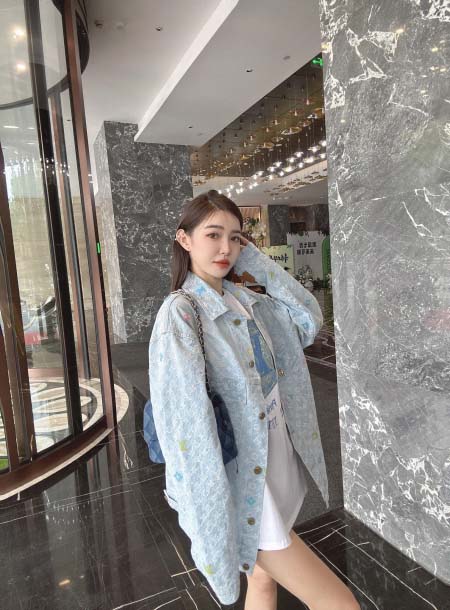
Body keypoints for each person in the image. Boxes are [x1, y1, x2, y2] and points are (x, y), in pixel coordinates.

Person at [148, 190, 360, 610]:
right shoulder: (181, 313)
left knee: (262, 582)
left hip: (272, 457)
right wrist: (212, 514)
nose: (225, 248)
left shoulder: (245, 300)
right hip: (242, 480)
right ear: (184, 239)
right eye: (213, 235)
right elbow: (187, 427)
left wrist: (255, 262)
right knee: (340, 604)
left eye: (235, 238)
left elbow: (308, 319)